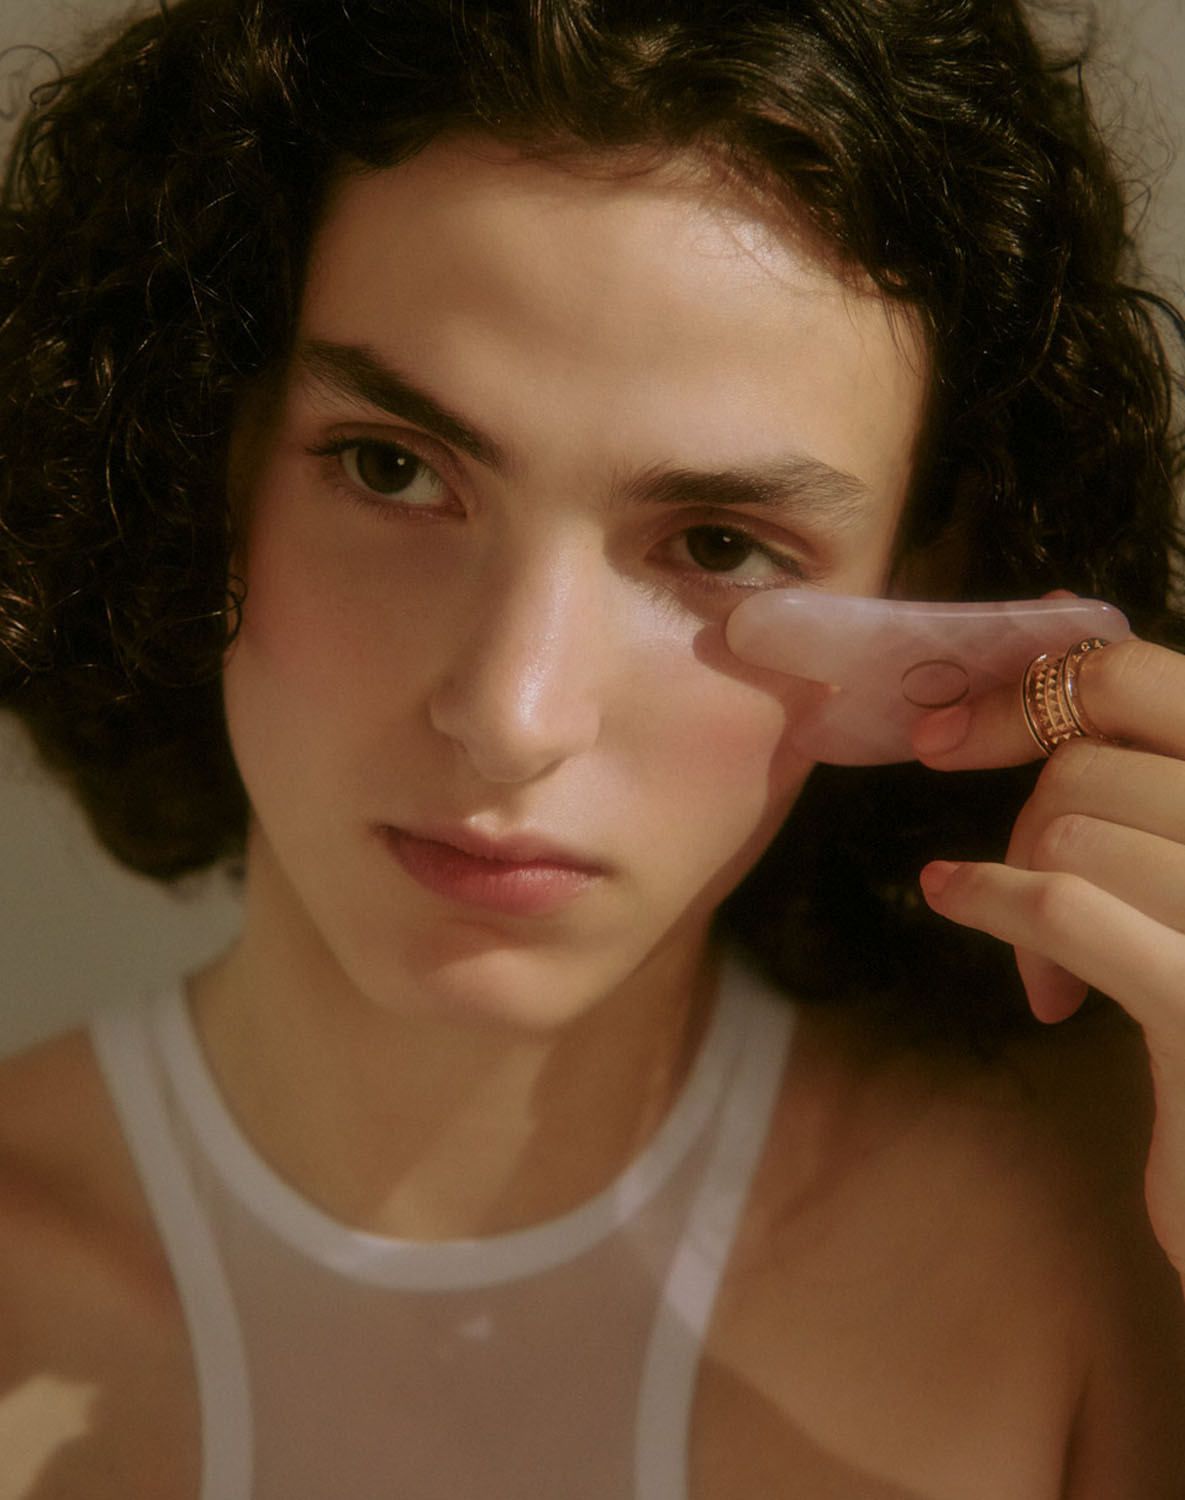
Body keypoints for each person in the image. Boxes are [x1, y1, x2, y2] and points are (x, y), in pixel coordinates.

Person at [1, 0, 1184, 1494]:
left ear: (932, 603)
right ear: (195, 450)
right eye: (391, 468)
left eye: (718, 544)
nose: (513, 715)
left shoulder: (1104, 1234)